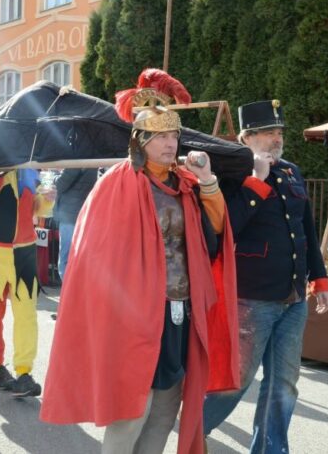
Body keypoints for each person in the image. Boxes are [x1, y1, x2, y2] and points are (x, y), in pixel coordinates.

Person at [40, 78, 240, 454]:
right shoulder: (117, 185)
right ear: (139, 141)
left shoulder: (185, 184)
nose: (170, 144)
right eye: (159, 137)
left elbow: (212, 234)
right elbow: (95, 258)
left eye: (174, 137)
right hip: (133, 316)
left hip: (180, 309)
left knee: (166, 408)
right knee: (132, 408)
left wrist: (209, 181)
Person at [201, 100, 328, 454]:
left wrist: (319, 279)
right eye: (268, 133)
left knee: (284, 383)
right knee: (236, 380)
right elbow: (226, 226)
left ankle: (271, 449)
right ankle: (194, 434)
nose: (276, 139)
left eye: (278, 132)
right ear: (247, 137)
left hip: (292, 298)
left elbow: (306, 230)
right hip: (251, 296)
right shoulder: (231, 174)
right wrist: (256, 180)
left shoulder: (291, 172)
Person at [0, 168, 54, 398]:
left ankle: (24, 371)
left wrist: (46, 201)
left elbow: (35, 208)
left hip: (25, 250)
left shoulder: (29, 166)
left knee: (27, 314)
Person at [53, 168, 97, 281]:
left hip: (69, 214)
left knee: (65, 259)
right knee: (79, 258)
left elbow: (61, 184)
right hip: (84, 213)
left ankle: (69, 293)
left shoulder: (76, 156)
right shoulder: (93, 158)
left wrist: (54, 179)